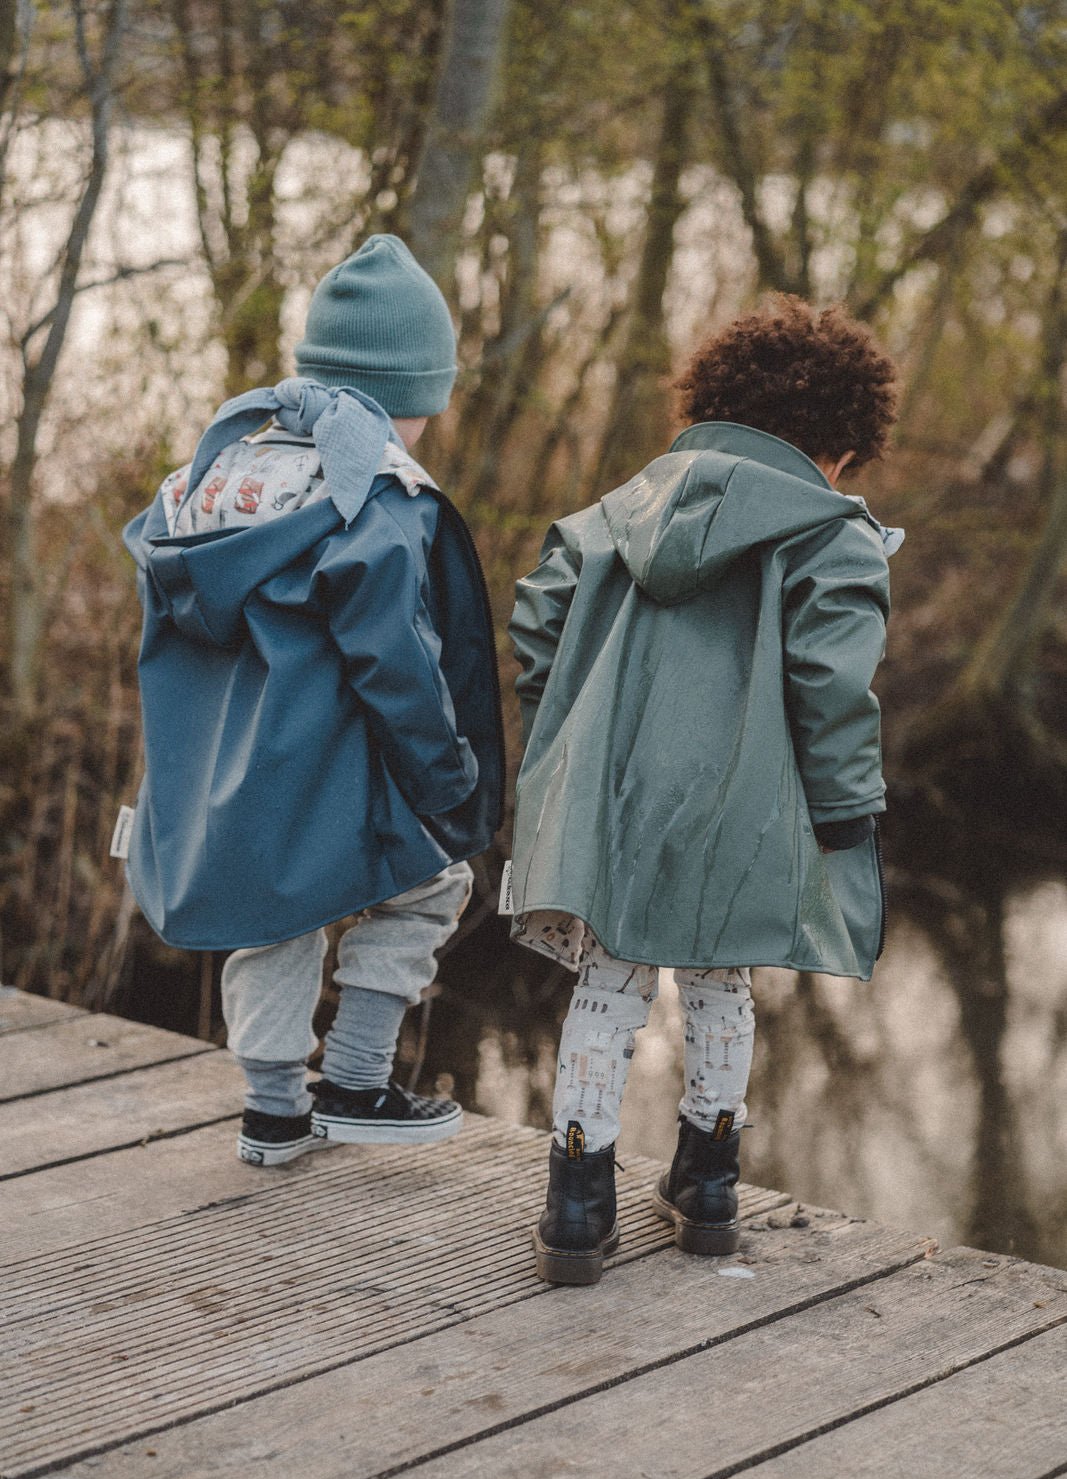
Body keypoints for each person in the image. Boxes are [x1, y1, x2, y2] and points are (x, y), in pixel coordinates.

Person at [508, 295, 902, 1284]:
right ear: (840, 449)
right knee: (724, 986)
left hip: (611, 797)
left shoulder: (613, 513)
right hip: (744, 804)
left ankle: (575, 1204)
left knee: (605, 990)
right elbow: (830, 687)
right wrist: (845, 814)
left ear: (711, 404)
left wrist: (568, 741)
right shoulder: (831, 533)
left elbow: (535, 630)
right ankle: (708, 1185)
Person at [123, 235, 504, 1166]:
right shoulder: (375, 498)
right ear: (415, 393)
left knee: (270, 914)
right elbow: (397, 663)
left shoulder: (207, 478)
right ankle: (358, 1084)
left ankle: (273, 1114)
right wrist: (447, 778)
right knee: (435, 879)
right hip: (331, 767)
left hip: (217, 778)